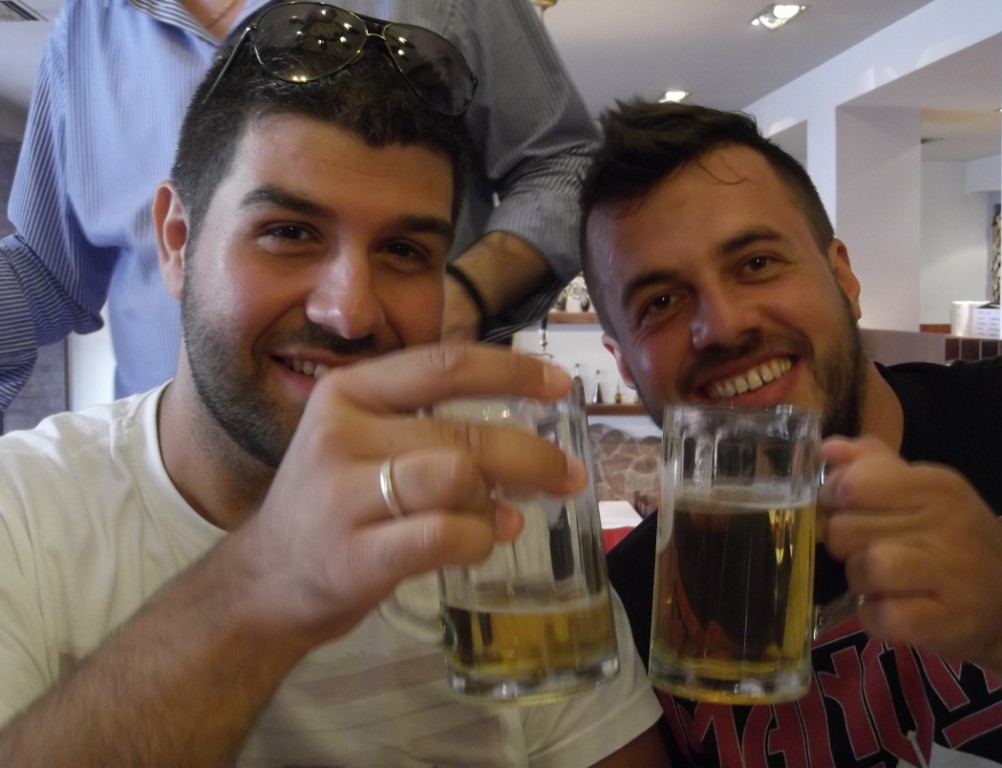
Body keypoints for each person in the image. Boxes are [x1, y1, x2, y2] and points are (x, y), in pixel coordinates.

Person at [0, 20, 668, 766]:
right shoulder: (22, 512)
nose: (349, 311)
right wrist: (262, 582)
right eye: (289, 233)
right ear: (177, 241)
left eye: (405, 250)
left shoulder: (501, 519)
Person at [580, 100, 1002, 767]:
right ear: (622, 364)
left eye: (756, 262)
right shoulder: (629, 602)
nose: (724, 325)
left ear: (843, 276)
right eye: (661, 302)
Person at [0, 0, 597, 410]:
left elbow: (566, 164)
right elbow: (49, 270)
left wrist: (467, 292)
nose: (345, 311)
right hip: (163, 502)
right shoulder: (85, 27)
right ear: (174, 236)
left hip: (409, 465)